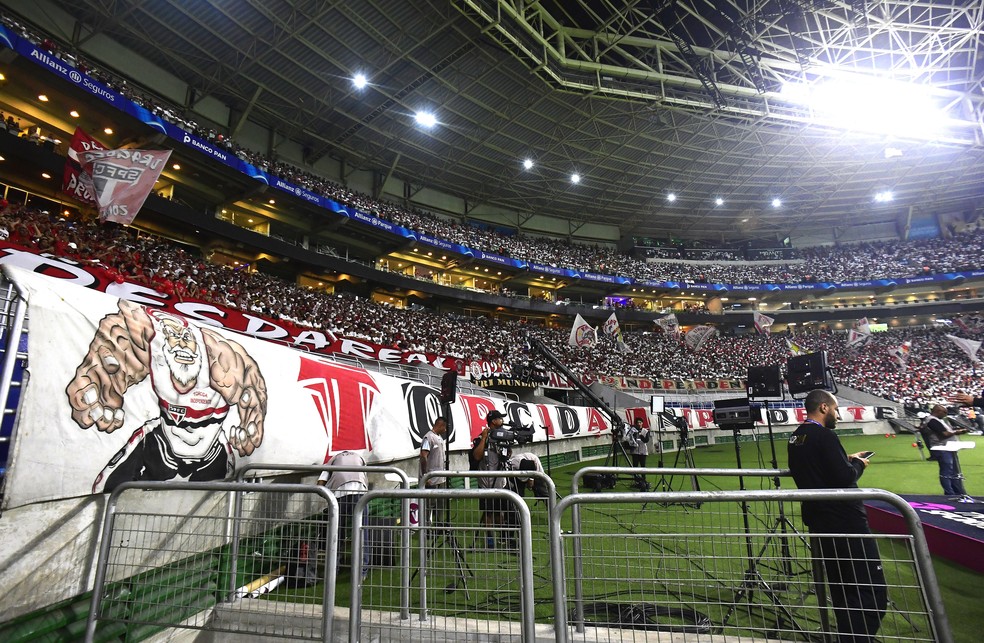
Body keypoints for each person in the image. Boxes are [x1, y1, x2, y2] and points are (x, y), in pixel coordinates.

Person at [66, 302, 268, 493]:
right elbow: (112, 350)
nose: (180, 343)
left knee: (221, 500)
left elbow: (251, 383)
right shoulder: (149, 345)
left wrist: (251, 422)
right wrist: (98, 386)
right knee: (107, 486)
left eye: (186, 338)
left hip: (212, 451)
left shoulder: (220, 355)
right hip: (162, 443)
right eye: (172, 336)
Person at [787, 389, 887, 643]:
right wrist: (857, 465)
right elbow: (843, 478)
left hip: (820, 521)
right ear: (823, 408)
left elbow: (817, 468)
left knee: (842, 589)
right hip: (846, 522)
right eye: (835, 409)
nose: (838, 415)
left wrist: (845, 458)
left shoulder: (796, 437)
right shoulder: (825, 436)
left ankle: (849, 637)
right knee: (870, 590)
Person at [317, 450, 369, 575]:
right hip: (360, 493)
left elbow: (320, 484)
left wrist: (327, 496)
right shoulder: (359, 457)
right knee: (362, 532)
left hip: (339, 494)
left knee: (336, 533)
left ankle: (334, 569)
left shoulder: (332, 460)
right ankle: (362, 571)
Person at [470, 409, 511, 548]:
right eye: (500, 418)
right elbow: (476, 456)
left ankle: (504, 536)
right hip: (486, 483)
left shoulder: (504, 437)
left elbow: (508, 455)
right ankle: (489, 538)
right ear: (493, 421)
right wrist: (484, 438)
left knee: (500, 511)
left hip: (500, 481)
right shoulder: (483, 437)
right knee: (488, 512)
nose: (502, 421)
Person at [922, 405, 969, 499]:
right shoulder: (932, 421)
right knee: (947, 472)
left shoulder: (937, 420)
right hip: (942, 448)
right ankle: (950, 493)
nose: (945, 415)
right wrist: (958, 432)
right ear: (938, 411)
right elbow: (944, 434)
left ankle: (959, 492)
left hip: (948, 448)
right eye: (944, 413)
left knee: (954, 472)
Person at [419, 416, 448, 525]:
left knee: (441, 503)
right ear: (441, 425)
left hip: (441, 478)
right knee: (429, 504)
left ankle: (439, 525)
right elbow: (423, 455)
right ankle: (426, 527)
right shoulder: (428, 437)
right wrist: (425, 475)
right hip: (431, 479)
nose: (445, 430)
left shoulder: (439, 437)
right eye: (445, 427)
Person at [628, 417, 651, 491]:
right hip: (635, 451)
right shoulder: (633, 431)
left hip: (643, 451)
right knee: (635, 466)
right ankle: (636, 481)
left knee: (643, 466)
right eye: (638, 423)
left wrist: (641, 435)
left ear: (642, 423)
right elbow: (630, 439)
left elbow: (646, 440)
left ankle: (643, 480)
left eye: (640, 422)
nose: (639, 424)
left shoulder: (645, 431)